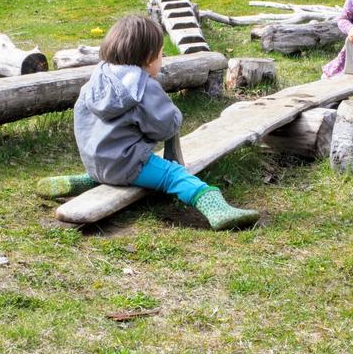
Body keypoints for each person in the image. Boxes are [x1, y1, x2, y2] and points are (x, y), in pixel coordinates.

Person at [37, 15, 260, 230]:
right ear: (148, 57)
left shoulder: (97, 80)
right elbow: (164, 126)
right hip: (129, 165)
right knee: (173, 175)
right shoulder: (142, 87)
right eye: (161, 55)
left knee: (115, 170)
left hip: (95, 163)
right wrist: (174, 116)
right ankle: (218, 209)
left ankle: (83, 181)